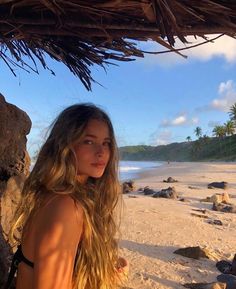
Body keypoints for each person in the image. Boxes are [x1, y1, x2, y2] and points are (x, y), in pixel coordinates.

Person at [6, 103, 128, 289]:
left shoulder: (52, 194)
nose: (101, 152)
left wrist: (104, 271)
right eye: (89, 141)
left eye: (106, 143)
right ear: (65, 145)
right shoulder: (65, 207)